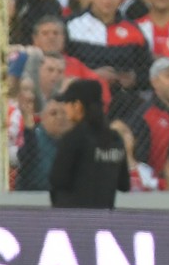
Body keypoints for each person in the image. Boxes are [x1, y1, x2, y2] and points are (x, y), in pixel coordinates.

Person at [48, 77, 130, 209]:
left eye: (67, 103)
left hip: (73, 218)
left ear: (77, 106)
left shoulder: (73, 138)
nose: (64, 108)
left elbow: (57, 179)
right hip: (104, 218)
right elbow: (124, 184)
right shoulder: (114, 139)